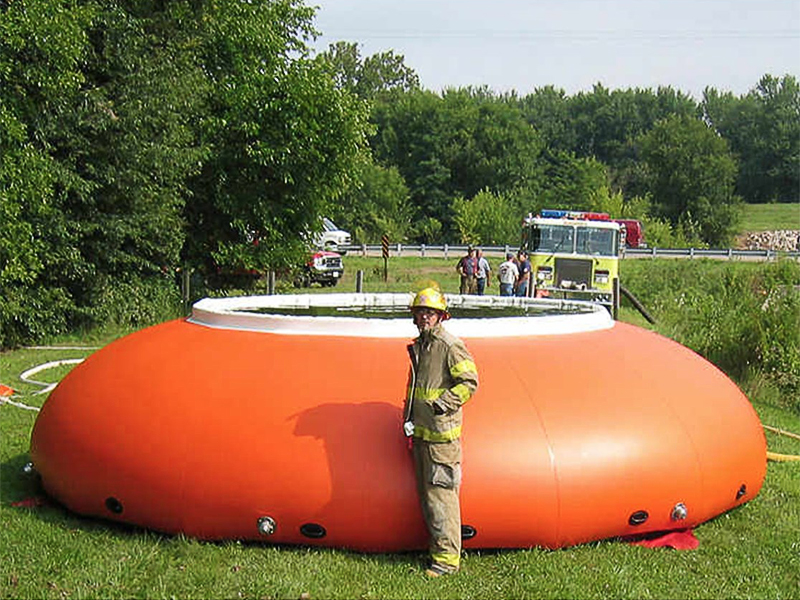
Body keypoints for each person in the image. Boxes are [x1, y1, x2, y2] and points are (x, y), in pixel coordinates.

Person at [404, 286, 479, 578]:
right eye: (420, 312)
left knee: (442, 499)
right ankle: (437, 551)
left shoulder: (449, 345)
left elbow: (469, 382)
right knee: (428, 498)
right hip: (423, 436)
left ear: (440, 316)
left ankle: (447, 562)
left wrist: (442, 404)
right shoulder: (421, 346)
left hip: (442, 440)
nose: (424, 317)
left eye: (430, 312)